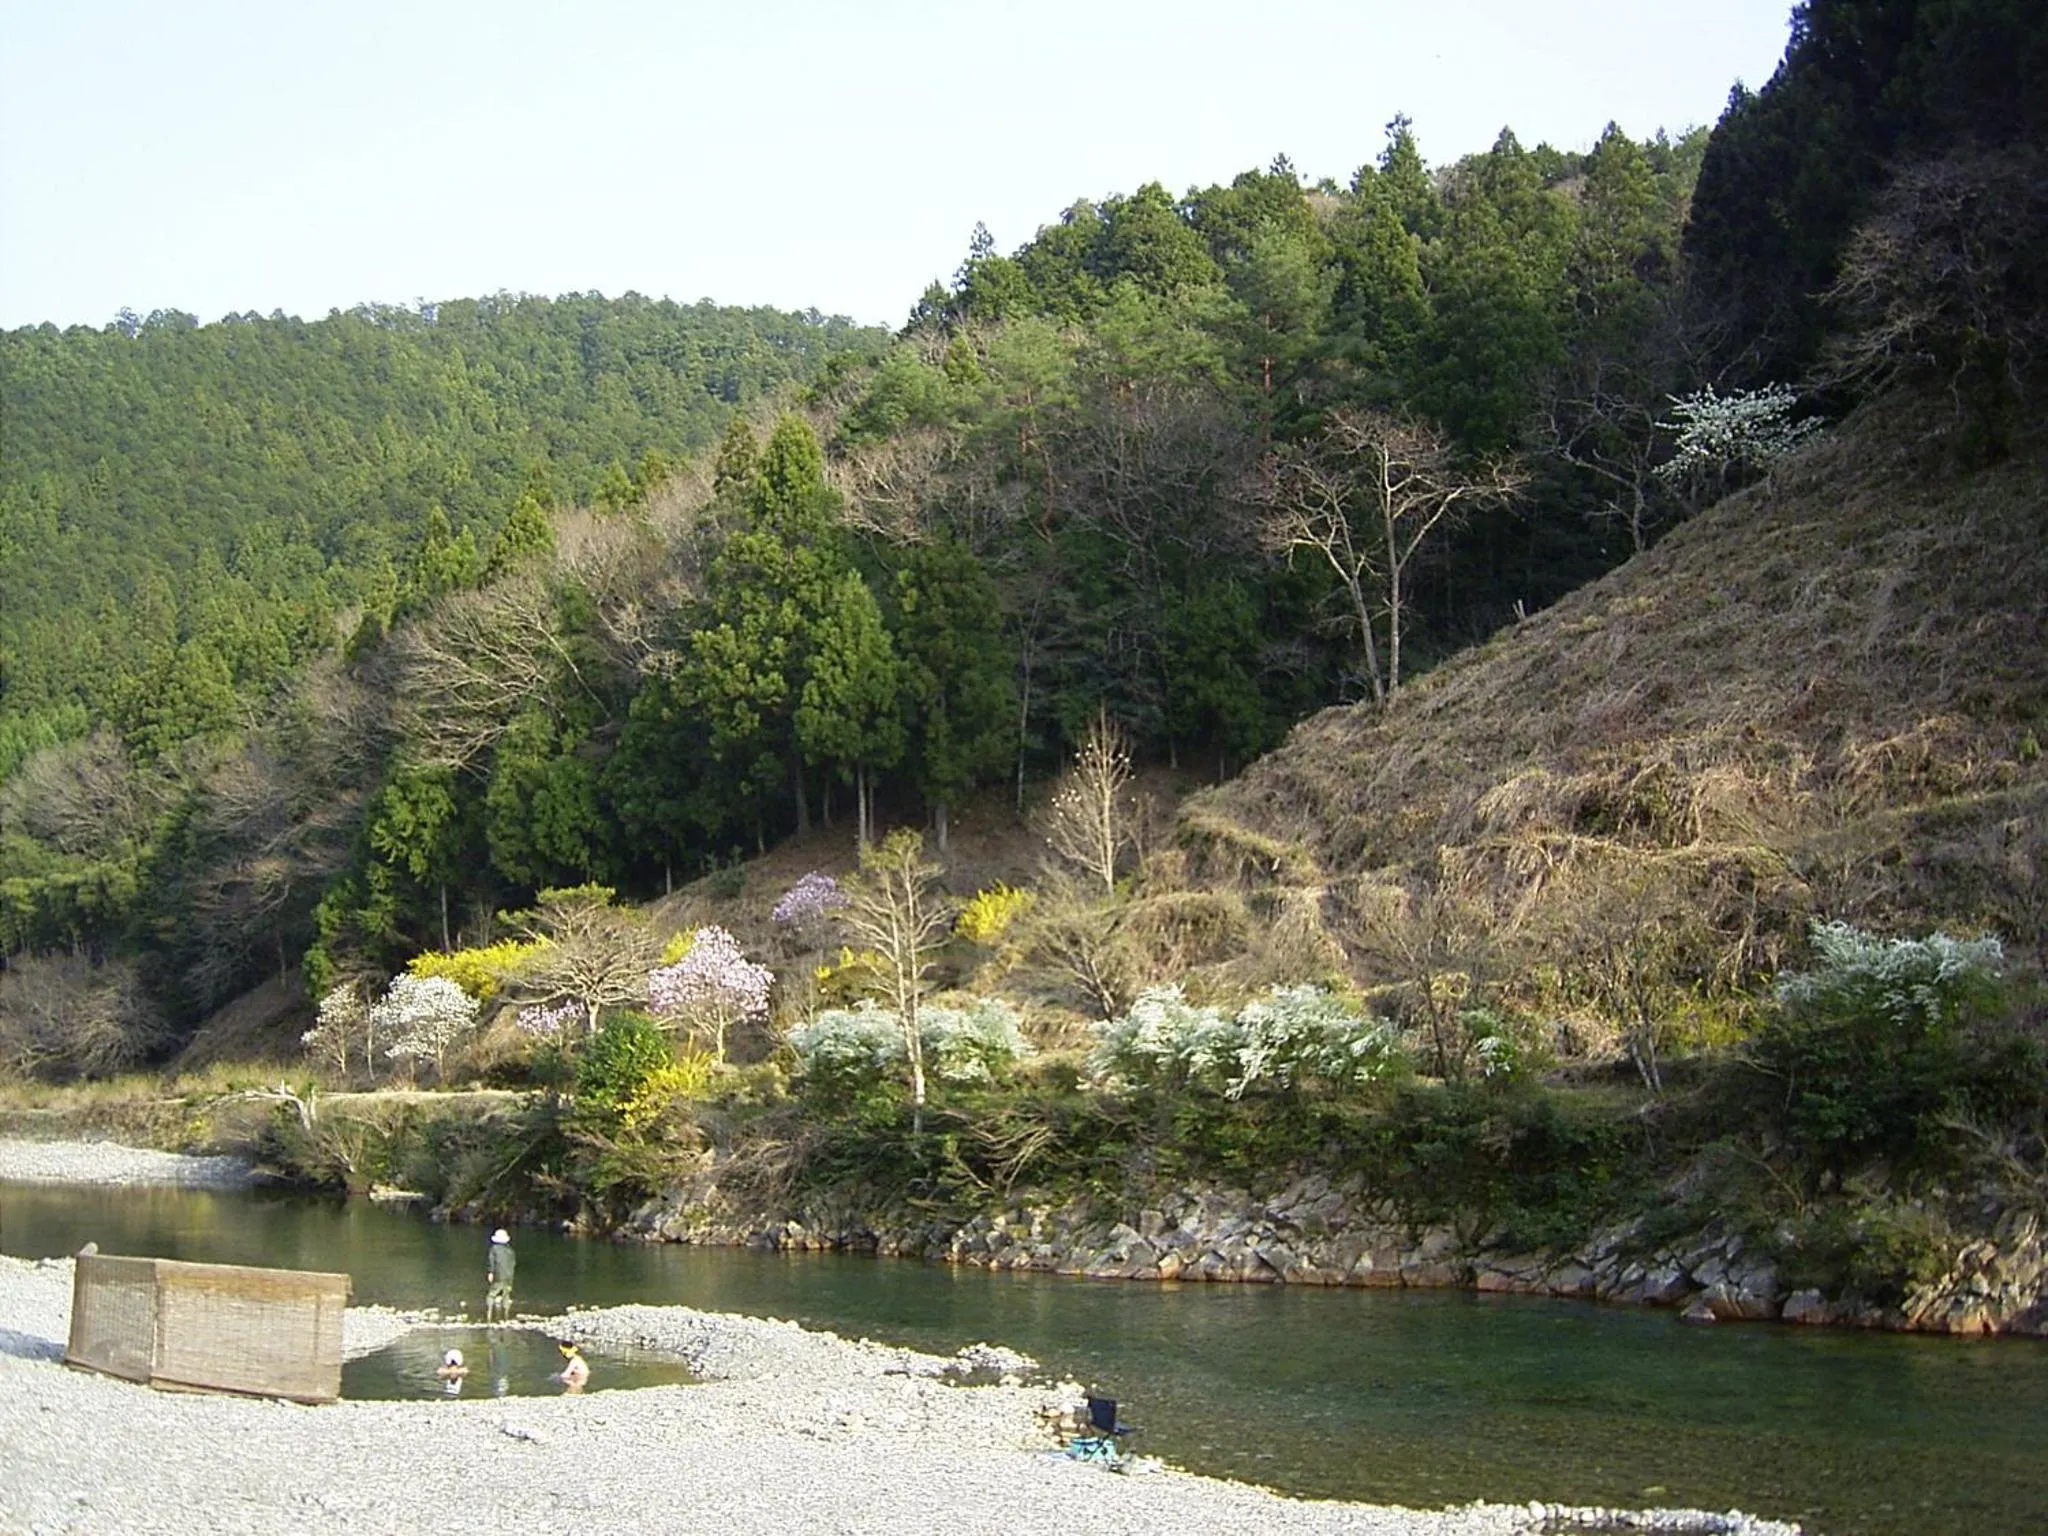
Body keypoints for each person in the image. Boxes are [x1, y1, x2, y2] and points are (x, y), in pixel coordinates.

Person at [485, 1228, 516, 1320]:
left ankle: (489, 1314)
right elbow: (513, 1263)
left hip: (499, 1275)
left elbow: (492, 1262)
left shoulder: (494, 1249)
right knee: (506, 1294)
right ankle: (506, 1315)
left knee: (491, 1294)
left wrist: (490, 1272)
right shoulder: (510, 1250)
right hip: (509, 1276)